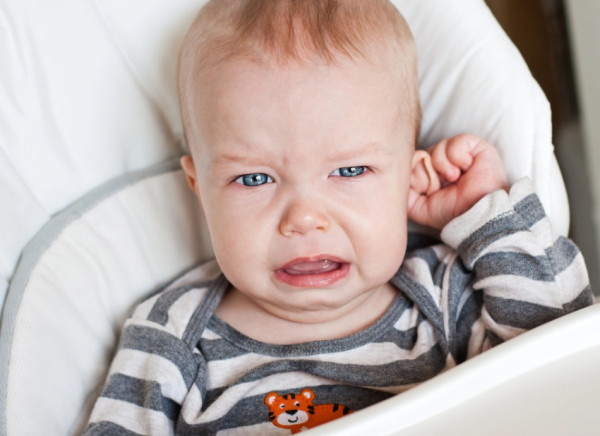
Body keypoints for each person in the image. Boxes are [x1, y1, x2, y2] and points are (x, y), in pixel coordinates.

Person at [84, 0, 593, 434]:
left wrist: (484, 215)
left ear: (408, 177)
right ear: (200, 189)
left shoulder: (448, 295)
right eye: (255, 179)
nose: (304, 219)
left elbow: (565, 351)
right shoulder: (170, 339)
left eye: (350, 170)